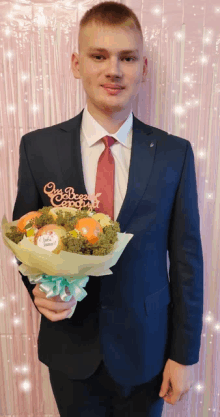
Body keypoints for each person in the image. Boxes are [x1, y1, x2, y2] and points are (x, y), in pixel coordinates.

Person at [12, 1, 203, 416]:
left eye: (127, 58)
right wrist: (40, 291)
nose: (113, 70)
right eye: (99, 56)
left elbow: (187, 261)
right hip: (70, 352)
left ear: (143, 68)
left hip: (148, 353)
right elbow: (24, 238)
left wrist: (185, 354)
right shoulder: (38, 148)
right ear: (76, 64)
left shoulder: (175, 154)